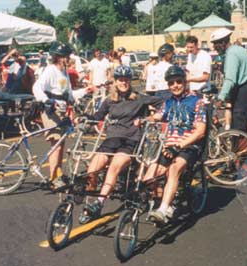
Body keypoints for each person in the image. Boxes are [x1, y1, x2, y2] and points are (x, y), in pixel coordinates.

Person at [77, 65, 163, 224]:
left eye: (126, 79)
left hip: (130, 141)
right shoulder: (110, 100)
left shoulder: (139, 98)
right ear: (115, 81)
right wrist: (83, 118)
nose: (123, 82)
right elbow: (97, 116)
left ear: (130, 81)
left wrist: (151, 118)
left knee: (114, 166)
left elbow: (163, 103)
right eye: (120, 79)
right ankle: (89, 206)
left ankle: (99, 202)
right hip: (111, 140)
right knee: (92, 170)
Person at [143, 66, 207, 223]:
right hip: (169, 147)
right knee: (149, 177)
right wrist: (143, 120)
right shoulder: (169, 102)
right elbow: (158, 116)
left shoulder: (196, 101)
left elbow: (200, 131)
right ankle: (165, 200)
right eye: (171, 83)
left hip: (189, 147)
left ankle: (164, 209)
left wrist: (179, 145)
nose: (175, 85)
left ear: (185, 82)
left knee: (174, 169)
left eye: (178, 81)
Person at [33, 41, 92, 188]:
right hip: (51, 110)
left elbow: (69, 94)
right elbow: (37, 87)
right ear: (59, 57)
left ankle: (57, 173)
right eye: (66, 56)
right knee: (57, 143)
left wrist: (85, 91)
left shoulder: (64, 71)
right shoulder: (50, 70)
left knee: (61, 143)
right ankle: (53, 178)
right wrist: (46, 100)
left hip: (61, 109)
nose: (69, 58)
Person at [210, 28, 247, 133]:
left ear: (223, 42)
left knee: (238, 130)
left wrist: (220, 99)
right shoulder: (239, 49)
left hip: (242, 93)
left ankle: (240, 148)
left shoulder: (231, 54)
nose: (214, 47)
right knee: (241, 126)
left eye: (216, 44)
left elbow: (230, 79)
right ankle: (241, 148)